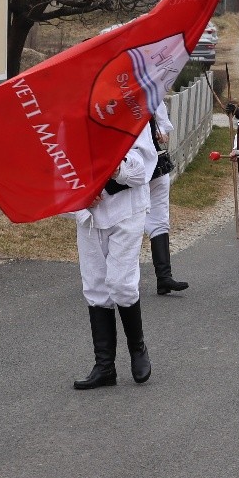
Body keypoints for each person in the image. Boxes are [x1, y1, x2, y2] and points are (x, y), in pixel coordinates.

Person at [70, 127, 158, 389]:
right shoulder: (69, 120)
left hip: (126, 209)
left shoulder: (131, 118)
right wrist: (82, 194)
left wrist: (114, 170)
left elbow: (142, 170)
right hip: (90, 213)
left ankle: (137, 348)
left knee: (120, 283)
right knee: (96, 286)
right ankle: (105, 366)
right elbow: (63, 164)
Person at [144, 97, 189, 294]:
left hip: (155, 164)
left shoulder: (151, 94)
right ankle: (112, 278)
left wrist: (161, 133)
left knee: (160, 218)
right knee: (128, 221)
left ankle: (164, 277)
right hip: (127, 169)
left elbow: (163, 126)